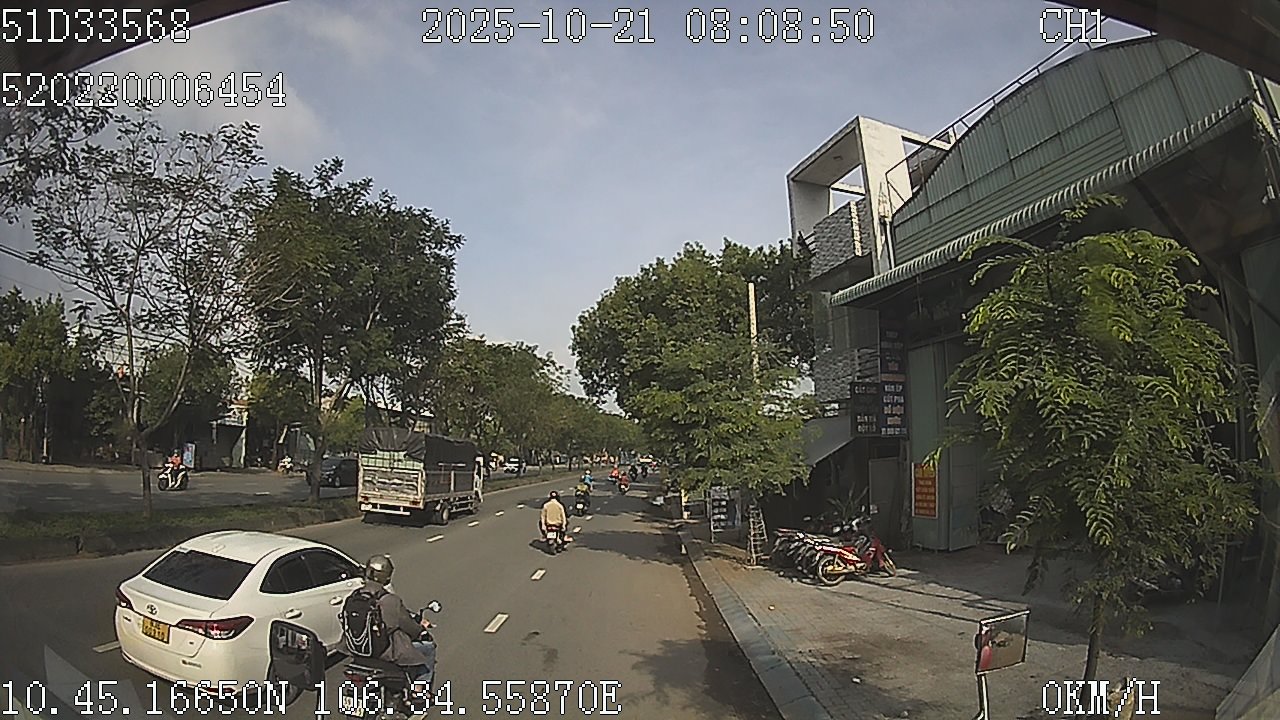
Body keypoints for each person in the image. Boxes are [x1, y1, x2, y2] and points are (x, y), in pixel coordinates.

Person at [344, 555, 435, 690]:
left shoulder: (354, 597)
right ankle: (419, 693)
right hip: (385, 652)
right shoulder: (390, 600)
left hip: (356, 650)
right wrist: (421, 630)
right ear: (386, 577)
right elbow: (410, 628)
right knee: (428, 648)